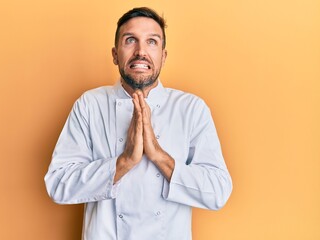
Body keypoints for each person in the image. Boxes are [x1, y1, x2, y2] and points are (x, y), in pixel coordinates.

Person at [44, 7, 232, 240]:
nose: (140, 51)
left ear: (163, 56)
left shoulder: (191, 109)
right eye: (130, 40)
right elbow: (58, 184)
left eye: (152, 42)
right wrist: (124, 162)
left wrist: (158, 155)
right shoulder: (89, 105)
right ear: (115, 54)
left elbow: (218, 192)